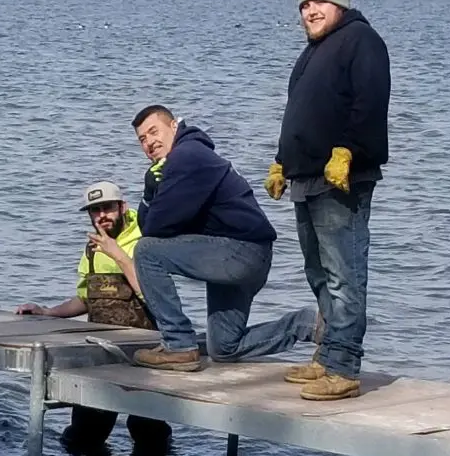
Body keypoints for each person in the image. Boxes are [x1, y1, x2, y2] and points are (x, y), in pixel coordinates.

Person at [264, 0, 391, 401]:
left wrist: (349, 151)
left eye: (318, 4)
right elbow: (302, 112)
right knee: (318, 271)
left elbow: (369, 103)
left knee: (344, 274)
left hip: (343, 178)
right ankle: (327, 353)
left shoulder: (361, 40)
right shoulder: (313, 52)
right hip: (307, 177)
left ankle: (344, 365)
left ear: (339, 5)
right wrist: (284, 161)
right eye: (303, 6)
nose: (310, 12)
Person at [130, 105, 319, 372]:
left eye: (153, 131)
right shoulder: (189, 156)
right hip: (246, 255)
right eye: (142, 139)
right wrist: (150, 191)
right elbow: (153, 225)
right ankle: (308, 324)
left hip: (239, 253)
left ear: (174, 126)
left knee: (146, 252)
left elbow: (154, 230)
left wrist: (153, 194)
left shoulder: (186, 157)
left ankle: (178, 345)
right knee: (224, 348)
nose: (149, 142)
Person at [16, 181, 172, 456]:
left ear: (122, 207)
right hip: (100, 354)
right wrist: (48, 312)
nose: (102, 216)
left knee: (148, 434)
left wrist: (118, 254)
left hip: (146, 355)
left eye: (107, 208)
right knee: (85, 434)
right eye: (94, 211)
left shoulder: (148, 239)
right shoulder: (92, 248)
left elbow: (156, 298)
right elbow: (86, 299)